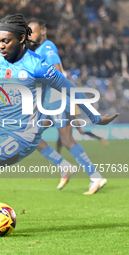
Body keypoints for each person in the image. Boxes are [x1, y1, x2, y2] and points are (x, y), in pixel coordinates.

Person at [0, 14, 118, 235]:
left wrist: (95, 117)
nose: (1, 45)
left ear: (21, 39)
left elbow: (70, 88)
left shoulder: (38, 66)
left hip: (23, 135)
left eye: (6, 40)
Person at [27, 18, 108, 192]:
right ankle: (81, 172)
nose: (30, 35)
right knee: (51, 138)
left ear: (43, 31)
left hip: (56, 100)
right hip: (51, 100)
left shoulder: (47, 47)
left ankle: (86, 173)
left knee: (36, 136)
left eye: (32, 31)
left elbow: (57, 73)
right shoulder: (39, 50)